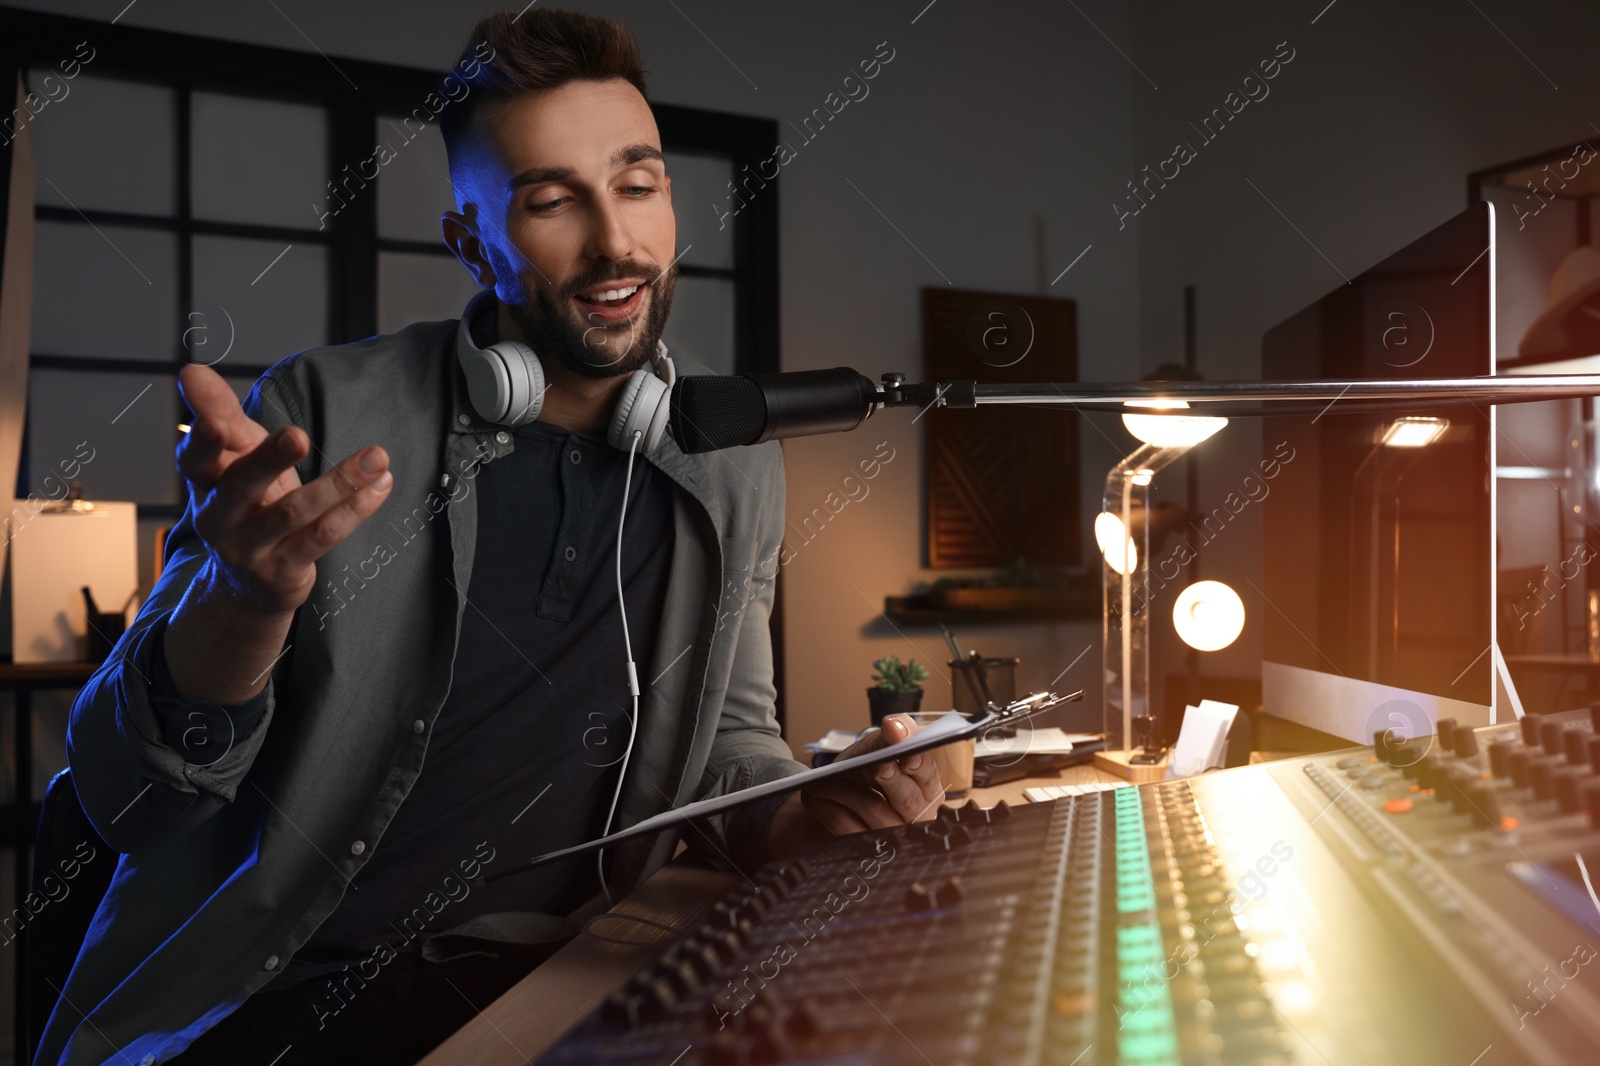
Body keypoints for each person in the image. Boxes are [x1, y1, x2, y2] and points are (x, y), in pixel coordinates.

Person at [40, 9, 943, 1066]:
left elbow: (729, 739)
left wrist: (800, 812)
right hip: (283, 1000)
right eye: (552, 200)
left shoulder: (729, 454)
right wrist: (243, 606)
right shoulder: (319, 412)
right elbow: (124, 801)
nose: (616, 241)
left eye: (637, 183)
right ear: (471, 241)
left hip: (567, 983)